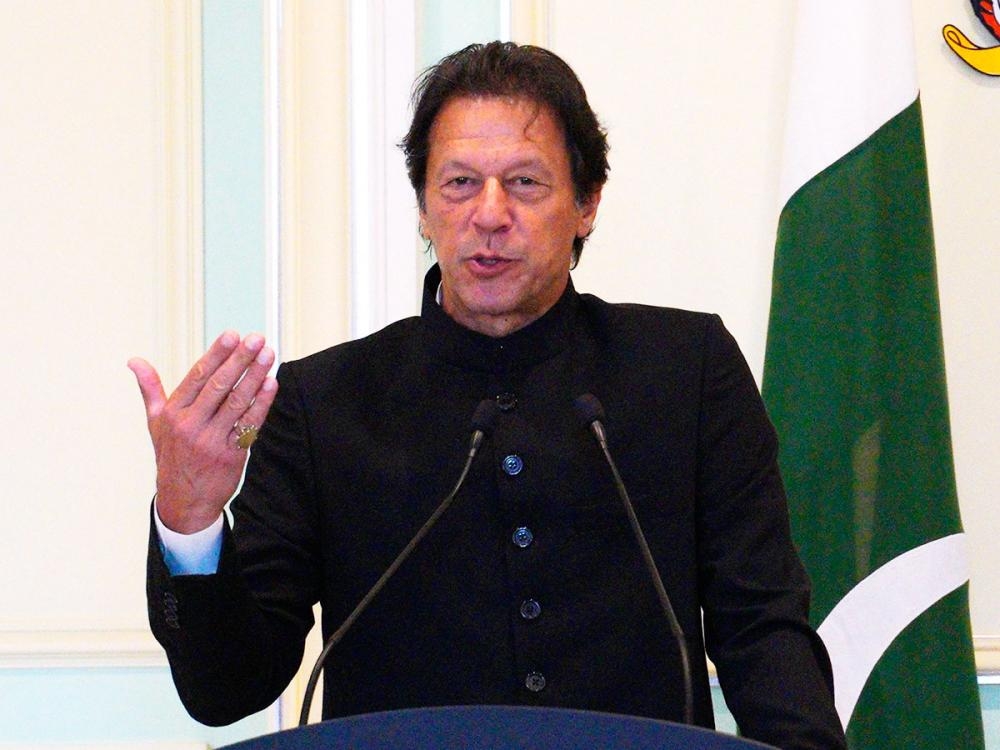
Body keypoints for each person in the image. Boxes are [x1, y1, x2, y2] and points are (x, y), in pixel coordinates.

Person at [129, 42, 847, 749]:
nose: (490, 214)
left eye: (526, 183)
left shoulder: (686, 371)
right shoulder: (322, 404)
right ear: (423, 207)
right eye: (460, 183)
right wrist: (190, 519)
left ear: (587, 203)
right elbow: (227, 690)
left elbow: (761, 625)